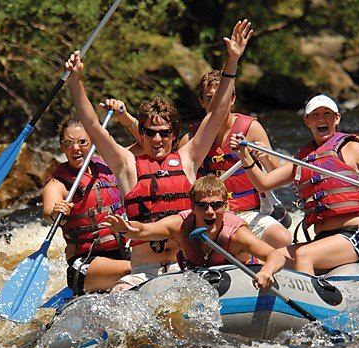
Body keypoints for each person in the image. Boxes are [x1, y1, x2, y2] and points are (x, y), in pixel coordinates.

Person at [65, 19, 254, 291]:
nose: (157, 139)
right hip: (143, 272)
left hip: (186, 268)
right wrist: (76, 81)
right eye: (150, 132)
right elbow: (93, 126)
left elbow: (217, 113)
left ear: (174, 135)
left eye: (164, 133)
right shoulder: (126, 164)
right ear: (140, 133)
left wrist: (232, 60)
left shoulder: (189, 158)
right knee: (121, 294)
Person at [229, 93, 359, 275]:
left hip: (355, 236)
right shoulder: (303, 159)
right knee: (266, 259)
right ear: (307, 121)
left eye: (327, 114)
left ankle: (307, 302)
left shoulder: (352, 148)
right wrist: (243, 156)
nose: (322, 119)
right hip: (322, 238)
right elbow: (264, 183)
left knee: (304, 255)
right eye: (315, 115)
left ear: (337, 118)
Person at [103, 175, 286, 289]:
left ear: (226, 206)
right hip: (199, 284)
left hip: (238, 286)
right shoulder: (180, 225)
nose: (210, 212)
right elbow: (144, 231)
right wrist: (127, 229)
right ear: (192, 207)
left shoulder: (237, 233)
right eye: (202, 206)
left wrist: (266, 272)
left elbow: (275, 256)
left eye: (216, 205)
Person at [178, 69, 292, 249]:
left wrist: (266, 160)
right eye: (209, 98)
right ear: (201, 102)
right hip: (212, 215)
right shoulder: (190, 140)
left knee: (282, 238)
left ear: (231, 99)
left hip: (249, 212)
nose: (216, 105)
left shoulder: (251, 129)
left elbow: (276, 174)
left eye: (221, 98)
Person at [42, 116, 131, 295]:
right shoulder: (58, 184)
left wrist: (123, 116)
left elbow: (147, 144)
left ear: (92, 142)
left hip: (123, 251)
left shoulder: (109, 165)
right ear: (61, 147)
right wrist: (58, 212)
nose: (76, 148)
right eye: (69, 143)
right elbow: (49, 213)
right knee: (137, 269)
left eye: (82, 142)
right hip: (85, 263)